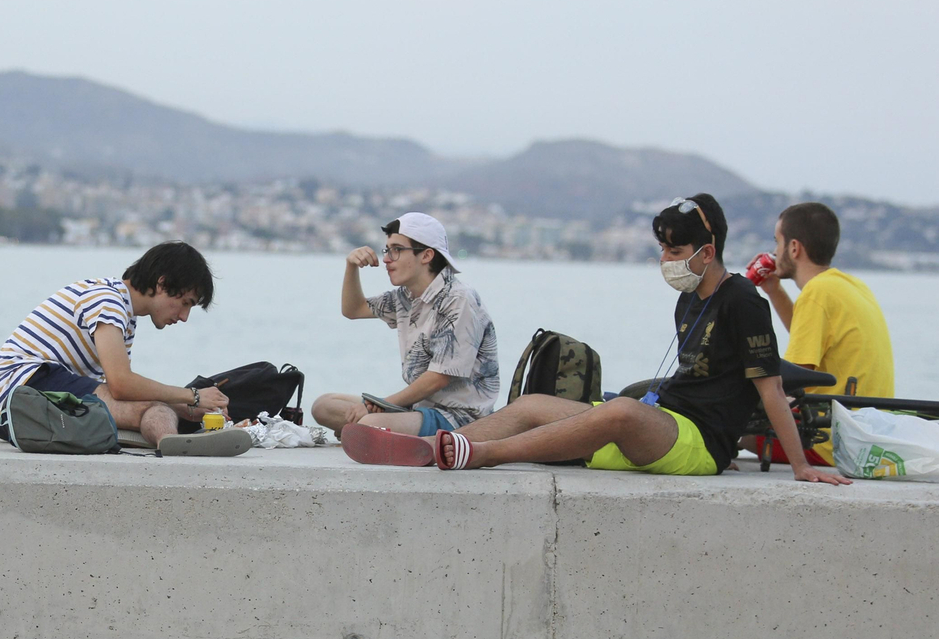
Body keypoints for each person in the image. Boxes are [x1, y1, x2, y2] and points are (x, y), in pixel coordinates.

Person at [342, 194, 852, 485]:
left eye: (676, 249)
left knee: (622, 412)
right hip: (667, 424)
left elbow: (768, 388)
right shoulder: (689, 298)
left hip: (701, 445)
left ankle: (477, 455)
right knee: (537, 403)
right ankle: (429, 447)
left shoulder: (745, 301)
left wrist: (802, 466)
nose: (667, 258)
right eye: (663, 248)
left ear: (708, 249)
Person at [0, 241, 249, 455]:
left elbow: (122, 392)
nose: (183, 317)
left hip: (28, 399)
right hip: (25, 390)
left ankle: (172, 442)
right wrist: (192, 396)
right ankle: (173, 444)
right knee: (150, 408)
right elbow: (121, 383)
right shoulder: (108, 301)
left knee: (154, 407)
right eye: (186, 303)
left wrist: (187, 408)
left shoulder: (124, 314)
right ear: (162, 284)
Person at [313, 213, 499, 443]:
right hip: (417, 409)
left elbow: (438, 378)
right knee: (323, 406)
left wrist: (380, 406)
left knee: (369, 422)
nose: (387, 259)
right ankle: (379, 435)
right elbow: (354, 309)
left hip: (459, 419)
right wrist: (351, 266)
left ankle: (382, 436)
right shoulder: (407, 296)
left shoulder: (458, 299)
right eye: (387, 250)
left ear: (427, 255)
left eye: (396, 250)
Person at [751, 201, 894, 464]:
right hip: (869, 432)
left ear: (794, 248)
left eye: (777, 242)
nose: (774, 252)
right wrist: (773, 290)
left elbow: (790, 380)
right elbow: (809, 337)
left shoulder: (816, 293)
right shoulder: (851, 286)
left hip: (829, 442)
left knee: (730, 426)